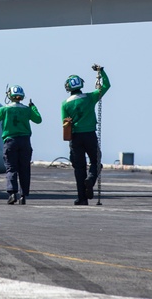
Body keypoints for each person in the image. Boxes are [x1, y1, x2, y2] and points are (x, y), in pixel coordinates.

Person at [61, 64, 110, 205]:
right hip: (90, 135)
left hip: (75, 137)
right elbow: (106, 86)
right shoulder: (90, 98)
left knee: (79, 167)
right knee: (96, 162)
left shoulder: (65, 104)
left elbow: (65, 124)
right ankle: (91, 179)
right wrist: (102, 72)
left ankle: (82, 198)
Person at [0, 84, 42, 205]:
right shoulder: (27, 110)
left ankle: (12, 193)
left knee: (11, 168)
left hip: (10, 141)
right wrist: (33, 107)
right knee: (24, 169)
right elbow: (38, 119)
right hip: (25, 141)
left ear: (9, 95)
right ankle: (23, 195)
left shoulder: (4, 109)